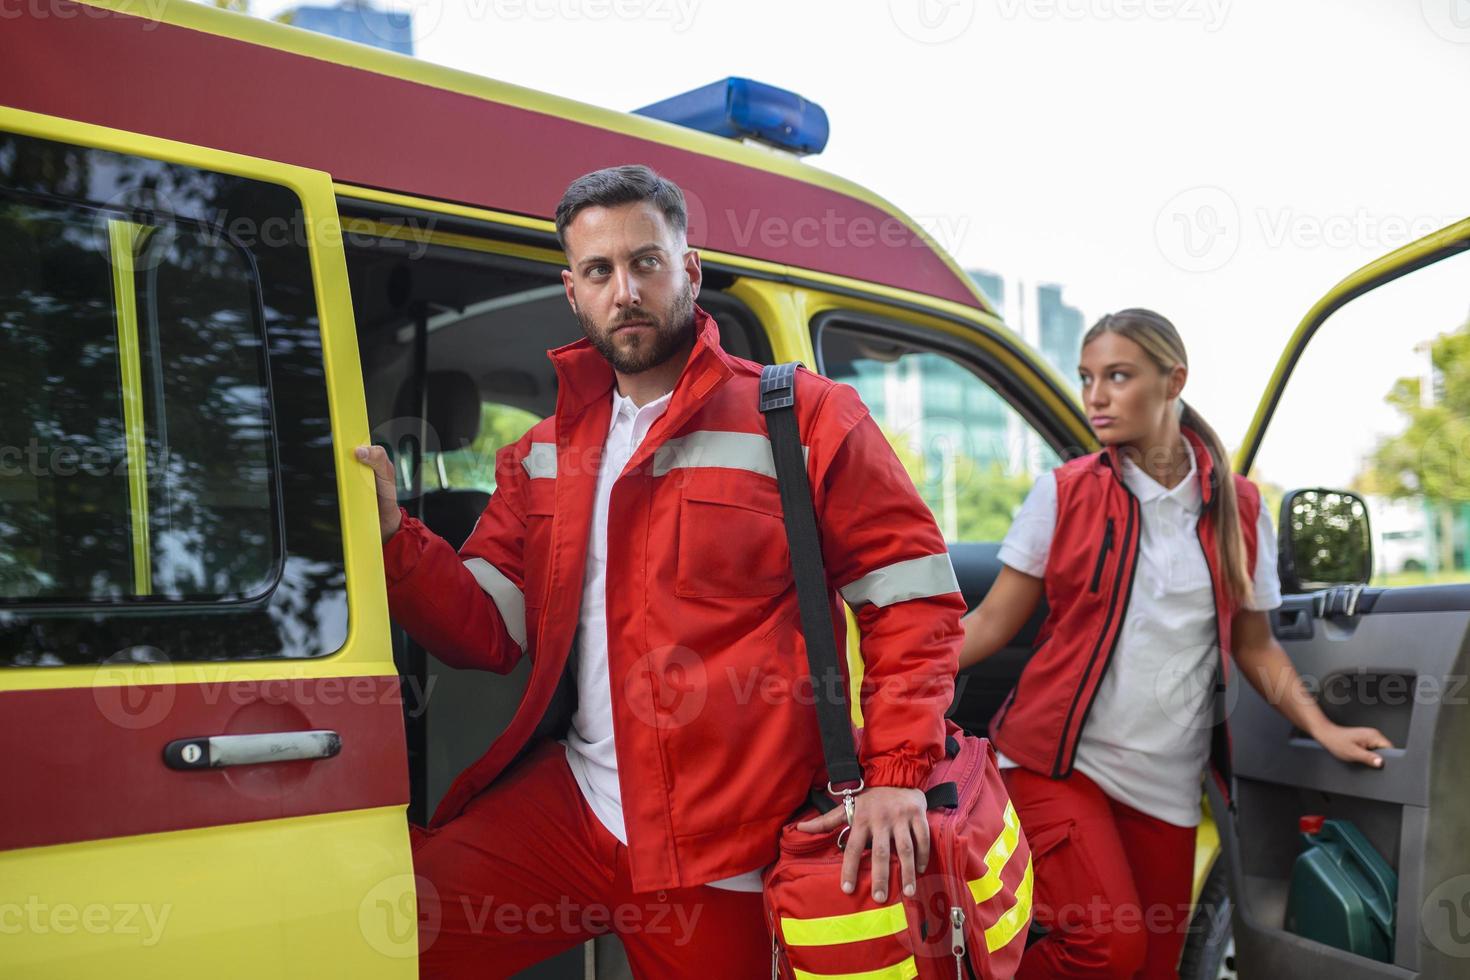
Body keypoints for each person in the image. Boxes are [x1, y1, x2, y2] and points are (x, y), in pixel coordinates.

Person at [355, 165, 965, 978]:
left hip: (727, 846)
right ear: (572, 291)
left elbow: (912, 599)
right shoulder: (541, 453)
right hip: (577, 811)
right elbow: (488, 628)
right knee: (381, 941)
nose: (626, 290)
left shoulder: (808, 416)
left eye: (646, 262)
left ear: (691, 270)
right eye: (600, 272)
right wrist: (395, 536)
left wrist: (896, 775)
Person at [958, 308, 1393, 978]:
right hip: (1057, 766)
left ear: (1173, 381)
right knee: (1108, 949)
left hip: (1166, 783)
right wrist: (888, 678)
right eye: (1086, 378)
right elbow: (990, 624)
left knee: (1153, 968)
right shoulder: (1065, 494)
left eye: (1118, 376)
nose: (1096, 396)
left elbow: (1255, 646)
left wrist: (1323, 728)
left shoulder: (1242, 510)